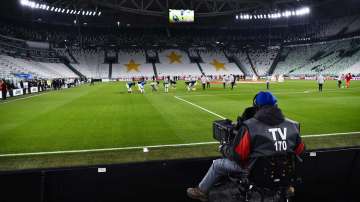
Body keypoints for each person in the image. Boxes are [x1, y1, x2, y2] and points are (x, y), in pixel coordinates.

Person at [187, 92, 305, 201]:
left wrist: (224, 148)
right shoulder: (292, 125)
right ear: (276, 106)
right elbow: (300, 151)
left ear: (257, 107)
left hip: (253, 172)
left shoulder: (250, 126)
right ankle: (287, 187)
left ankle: (201, 192)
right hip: (284, 173)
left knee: (217, 164)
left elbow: (239, 156)